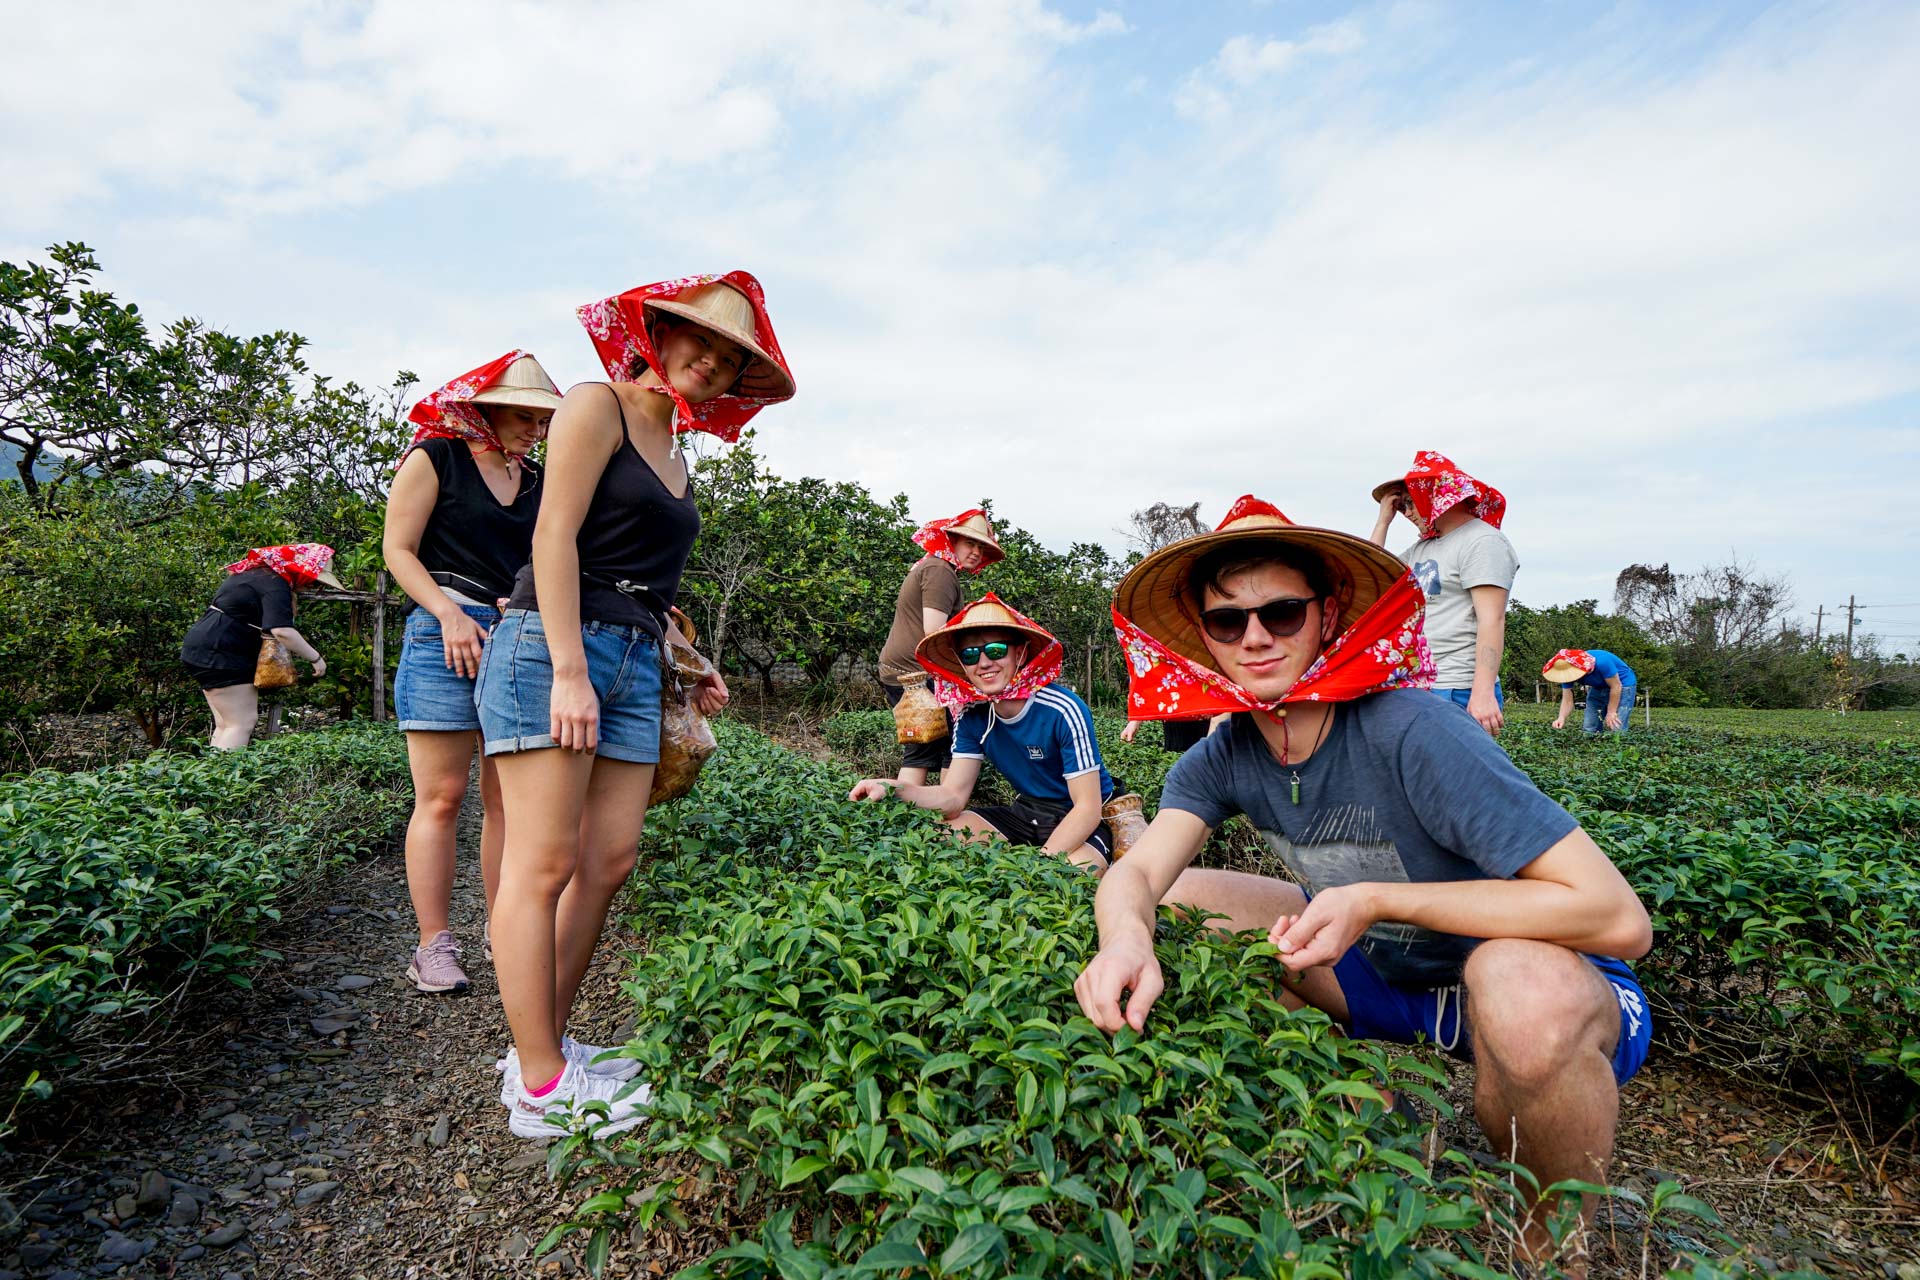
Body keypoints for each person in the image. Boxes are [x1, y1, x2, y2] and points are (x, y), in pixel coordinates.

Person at [1082, 495, 1653, 1262]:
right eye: (1228, 621)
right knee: (1185, 904)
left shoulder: (1413, 731)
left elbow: (1619, 918)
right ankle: (1369, 1107)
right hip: (1380, 977)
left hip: (1531, 981)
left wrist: (1377, 896)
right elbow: (1142, 873)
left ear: (1327, 616)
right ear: (1207, 638)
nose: (1254, 638)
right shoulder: (1221, 756)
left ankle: (1555, 1240)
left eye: (1281, 614)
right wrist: (1123, 941)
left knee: (1519, 984)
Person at [479, 273, 793, 1140]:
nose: (711, 361)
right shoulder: (596, 406)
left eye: (731, 357)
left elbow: (649, 584)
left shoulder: (677, 450)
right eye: (699, 339)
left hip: (634, 655)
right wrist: (570, 669)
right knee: (539, 867)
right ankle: (542, 1089)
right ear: (657, 331)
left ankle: (543, 1046)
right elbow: (554, 537)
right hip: (552, 645)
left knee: (608, 860)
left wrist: (689, 663)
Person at [383, 351, 559, 995]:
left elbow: (549, 553)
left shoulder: (540, 480)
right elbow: (397, 550)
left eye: (542, 421)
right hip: (441, 633)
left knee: (505, 798)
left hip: (515, 635)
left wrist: (522, 598)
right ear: (485, 407)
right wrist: (448, 615)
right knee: (441, 796)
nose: (533, 431)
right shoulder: (436, 459)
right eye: (522, 416)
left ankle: (500, 929)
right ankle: (433, 944)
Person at [849, 593, 1115, 872]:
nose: (984, 662)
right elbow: (953, 797)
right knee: (938, 841)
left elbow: (1087, 808)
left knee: (1075, 873)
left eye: (997, 650)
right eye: (971, 655)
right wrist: (895, 789)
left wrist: (1039, 867)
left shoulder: (1062, 709)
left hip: (1084, 817)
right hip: (1027, 812)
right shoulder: (971, 715)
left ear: (1020, 653)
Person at [1368, 451, 1516, 736]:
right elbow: (1372, 579)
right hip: (1420, 683)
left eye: (1409, 504)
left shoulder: (1482, 541)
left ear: (1437, 495)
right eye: (1401, 508)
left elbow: (1492, 620)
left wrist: (1482, 694)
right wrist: (1383, 521)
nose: (1407, 514)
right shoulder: (1422, 549)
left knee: (1459, 778)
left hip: (1458, 687)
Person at [875, 509, 1003, 783]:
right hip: (916, 673)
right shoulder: (939, 571)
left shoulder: (935, 566)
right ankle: (939, 816)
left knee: (931, 747)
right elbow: (933, 633)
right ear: (952, 540)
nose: (976, 553)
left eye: (981, 547)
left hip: (906, 670)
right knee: (941, 748)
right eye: (970, 543)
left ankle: (922, 815)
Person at [180, 544, 339, 750]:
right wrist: (316, 659)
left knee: (226, 724)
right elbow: (282, 631)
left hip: (204, 646)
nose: (315, 588)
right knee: (242, 723)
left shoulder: (256, 574)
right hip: (222, 652)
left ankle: (211, 777)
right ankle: (227, 779)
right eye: (314, 582)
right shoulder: (275, 583)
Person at [1545, 648, 1639, 734]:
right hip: (1598, 686)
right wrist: (1561, 718)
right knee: (1589, 726)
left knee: (1616, 726)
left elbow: (1616, 686)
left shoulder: (1602, 662)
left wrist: (1611, 712)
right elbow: (1567, 700)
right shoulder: (1566, 673)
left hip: (1623, 684)